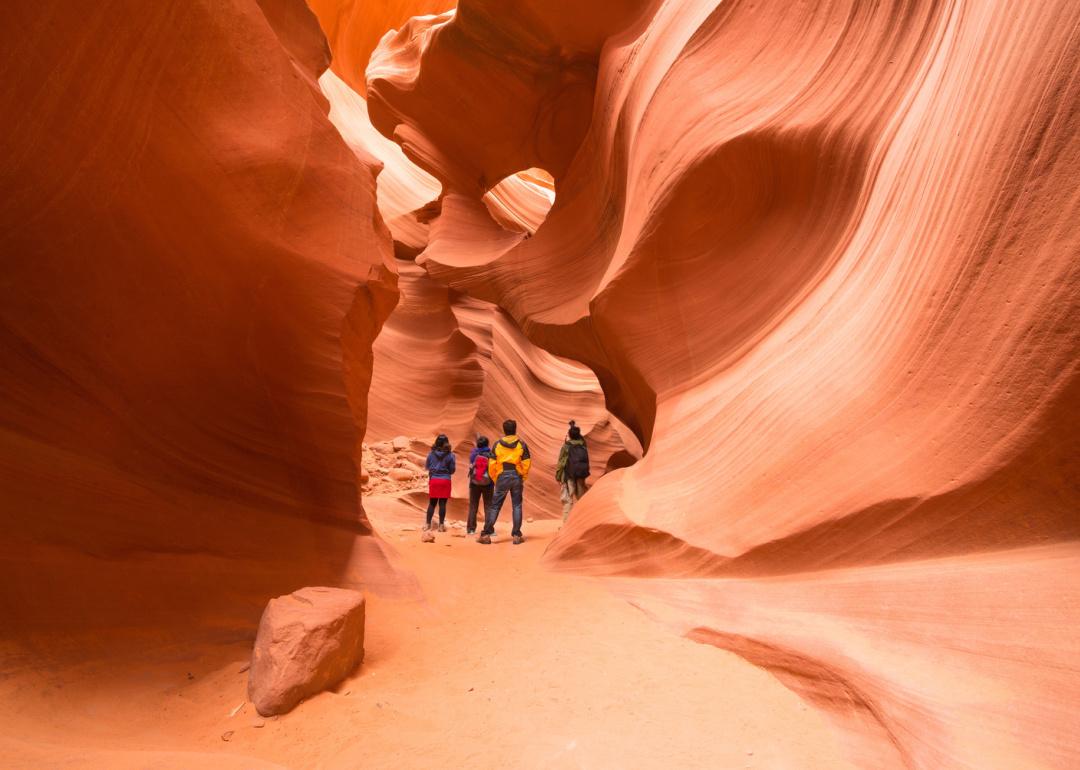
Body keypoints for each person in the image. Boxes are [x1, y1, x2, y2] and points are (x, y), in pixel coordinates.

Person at [478, 419, 531, 545]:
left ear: (504, 430)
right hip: (516, 476)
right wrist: (522, 476)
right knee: (517, 505)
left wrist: (496, 478)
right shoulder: (521, 445)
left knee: (495, 506)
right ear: (515, 429)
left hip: (502, 476)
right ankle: (517, 535)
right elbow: (526, 463)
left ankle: (486, 535)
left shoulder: (497, 445)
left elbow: (491, 463)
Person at [556, 421, 590, 521]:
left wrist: (558, 476)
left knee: (567, 500)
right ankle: (584, 521)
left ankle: (566, 524)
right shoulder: (583, 444)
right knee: (581, 499)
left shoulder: (566, 446)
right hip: (580, 475)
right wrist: (573, 427)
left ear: (569, 435)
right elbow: (580, 438)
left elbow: (561, 462)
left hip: (568, 476)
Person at [424, 434, 456, 532]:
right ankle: (441, 526)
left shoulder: (431, 454)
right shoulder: (451, 455)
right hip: (445, 480)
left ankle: (427, 525)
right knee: (442, 504)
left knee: (432, 503)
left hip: (434, 480)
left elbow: (427, 467)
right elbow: (452, 470)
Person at [466, 435, 494, 535]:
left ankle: (471, 529)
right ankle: (489, 529)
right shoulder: (490, 454)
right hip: (488, 483)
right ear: (487, 444)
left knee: (473, 506)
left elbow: (471, 466)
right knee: (488, 506)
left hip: (474, 483)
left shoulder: (473, 454)